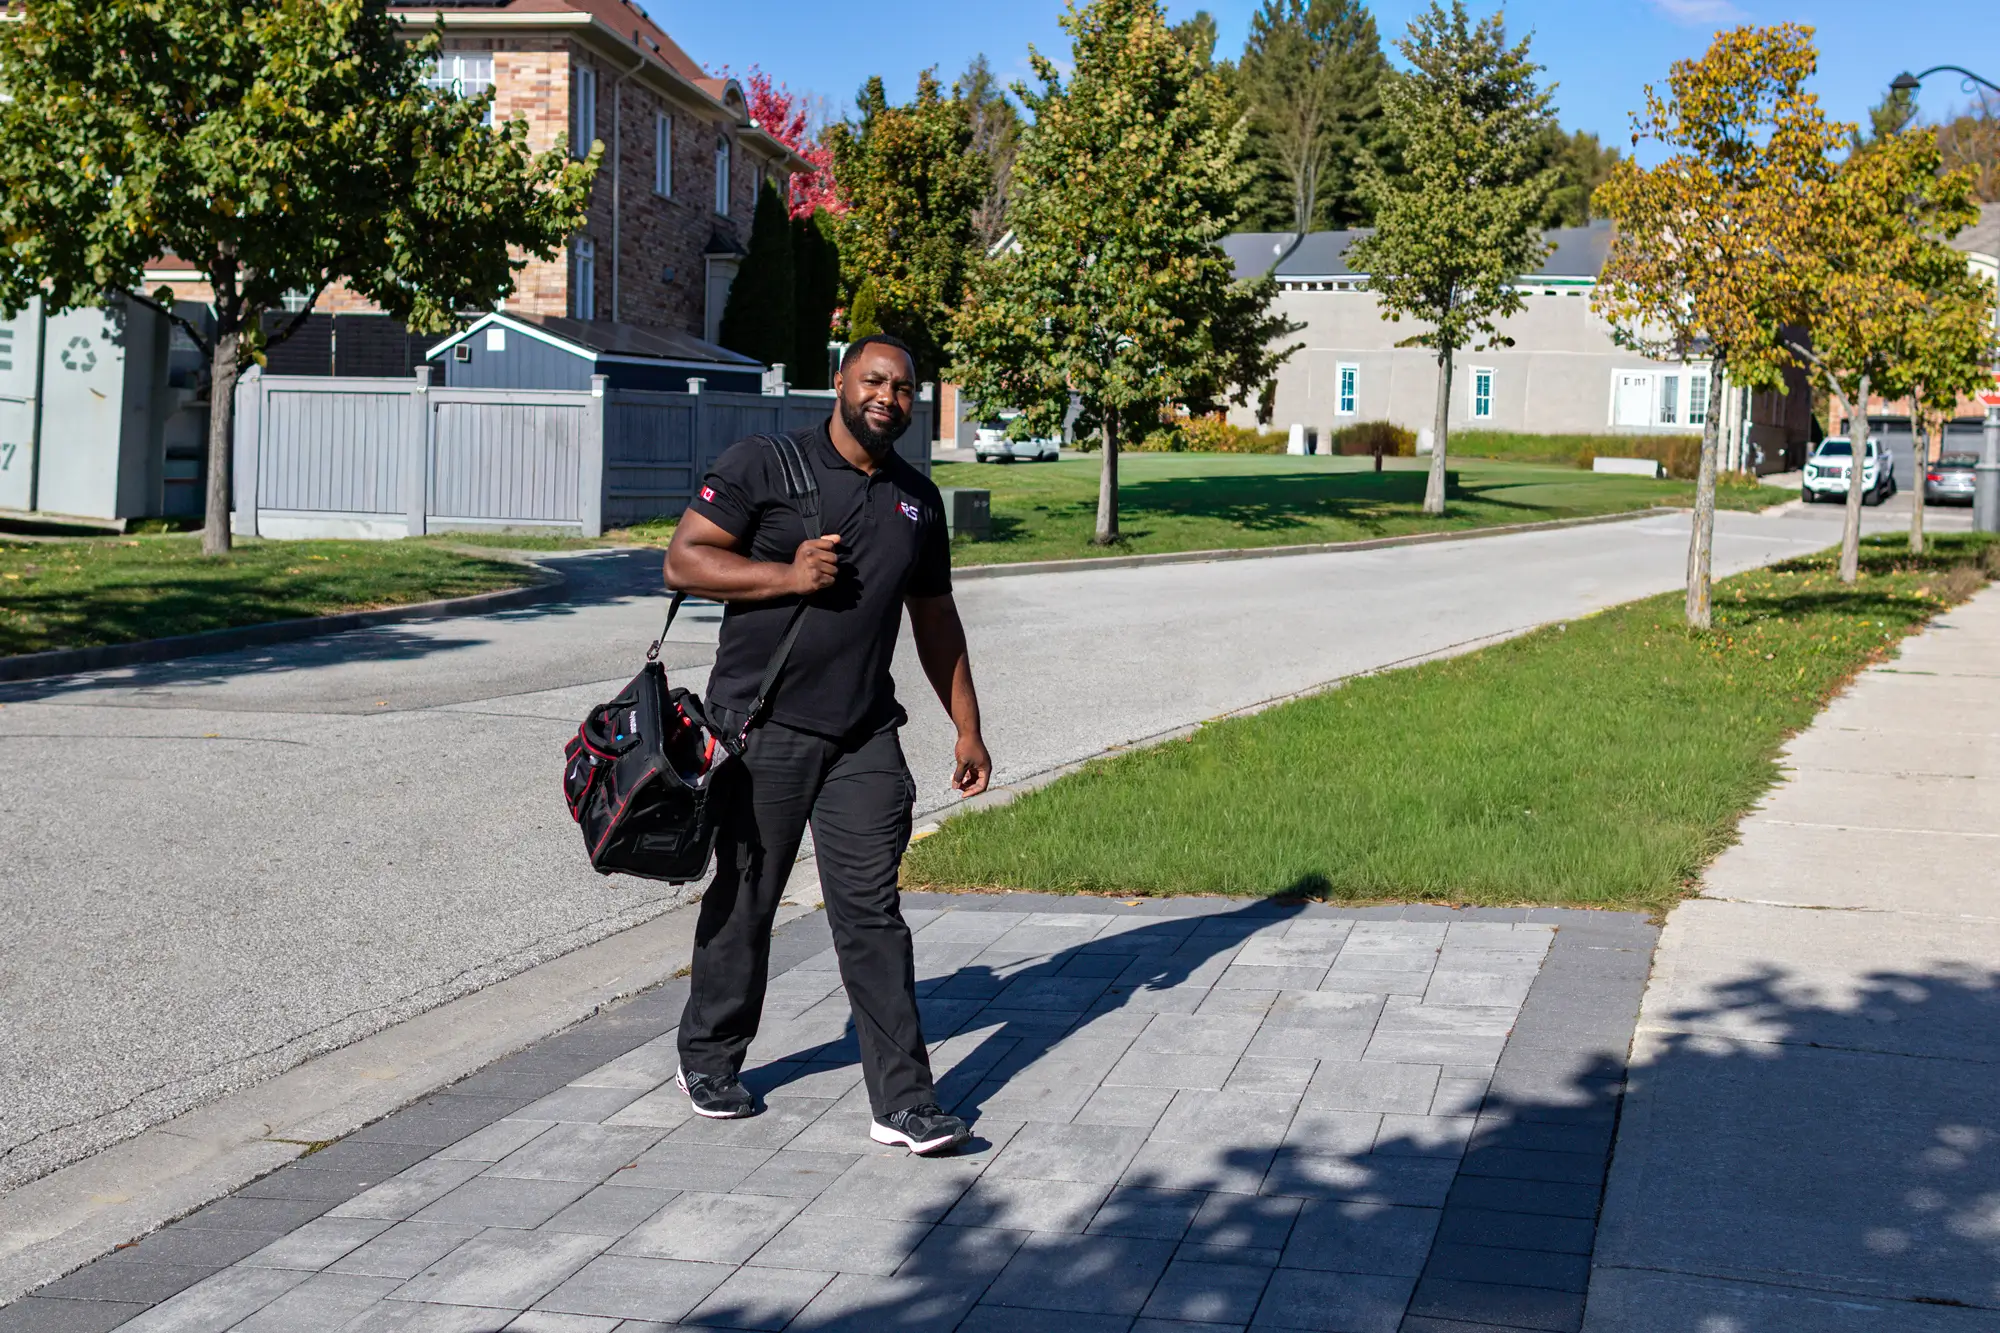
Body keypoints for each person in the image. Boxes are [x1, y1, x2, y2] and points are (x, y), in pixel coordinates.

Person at [662, 333, 992, 1156]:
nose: (889, 395)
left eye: (905, 387)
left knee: (873, 914)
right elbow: (683, 561)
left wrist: (968, 725)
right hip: (760, 725)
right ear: (839, 380)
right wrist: (785, 575)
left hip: (862, 735)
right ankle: (708, 1056)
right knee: (747, 899)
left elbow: (936, 617)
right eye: (874, 379)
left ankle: (904, 1102)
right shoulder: (763, 463)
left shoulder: (918, 499)